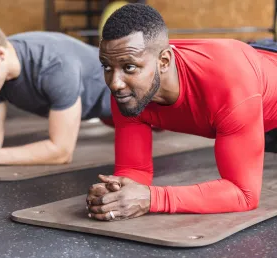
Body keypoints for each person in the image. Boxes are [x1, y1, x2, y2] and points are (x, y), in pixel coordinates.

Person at [86, 3, 277, 221]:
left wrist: (152, 198)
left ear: (164, 61)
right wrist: (116, 192)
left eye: (129, 67)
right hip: (251, 101)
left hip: (255, 81)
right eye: (107, 67)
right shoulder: (128, 89)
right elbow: (134, 169)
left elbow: (244, 195)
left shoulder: (230, 84)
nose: (115, 83)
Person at [0, 18, 112, 167]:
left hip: (132, 106)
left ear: (0, 55)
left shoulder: (54, 65)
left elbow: (61, 152)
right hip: (103, 112)